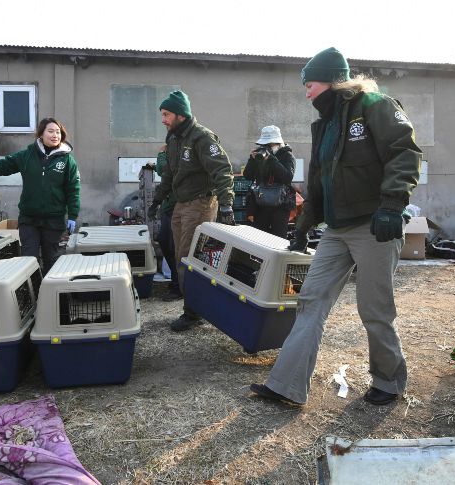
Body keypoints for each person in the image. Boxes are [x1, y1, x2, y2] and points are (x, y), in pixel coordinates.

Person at [250, 47, 422, 406]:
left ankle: (389, 381)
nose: (306, 93)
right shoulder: (325, 124)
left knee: (374, 309)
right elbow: (318, 182)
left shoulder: (375, 105)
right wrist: (303, 226)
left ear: (330, 81)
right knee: (310, 299)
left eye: (309, 85)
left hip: (374, 224)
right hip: (336, 229)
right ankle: (287, 385)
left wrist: (393, 205)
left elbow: (404, 152)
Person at [148, 90, 235, 331]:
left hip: (200, 203)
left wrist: (226, 204)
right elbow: (169, 174)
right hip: (181, 203)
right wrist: (157, 201)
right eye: (162, 115)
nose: (163, 120)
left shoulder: (201, 137)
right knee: (181, 257)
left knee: (190, 258)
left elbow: (222, 170)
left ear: (181, 114)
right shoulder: (174, 139)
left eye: (166, 114)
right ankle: (195, 307)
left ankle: (193, 313)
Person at [0, 117, 80, 275]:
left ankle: (50, 291)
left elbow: (73, 190)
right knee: (28, 262)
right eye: (51, 131)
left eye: (58, 132)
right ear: (41, 134)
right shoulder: (26, 156)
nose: (55, 135)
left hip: (54, 221)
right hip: (29, 220)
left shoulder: (67, 160)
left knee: (53, 262)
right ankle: (32, 291)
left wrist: (72, 215)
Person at [242, 125, 296, 238]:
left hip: (281, 204)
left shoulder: (287, 156)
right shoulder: (260, 156)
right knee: (259, 237)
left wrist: (272, 160)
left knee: (279, 238)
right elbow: (248, 176)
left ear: (278, 143)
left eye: (269, 145)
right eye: (264, 145)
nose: (266, 148)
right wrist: (252, 160)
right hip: (260, 202)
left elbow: (287, 177)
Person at [154, 145, 182, 302]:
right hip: (169, 206)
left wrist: (161, 154)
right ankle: (175, 281)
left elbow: (163, 170)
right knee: (164, 241)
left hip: (179, 207)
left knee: (174, 246)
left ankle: (178, 286)